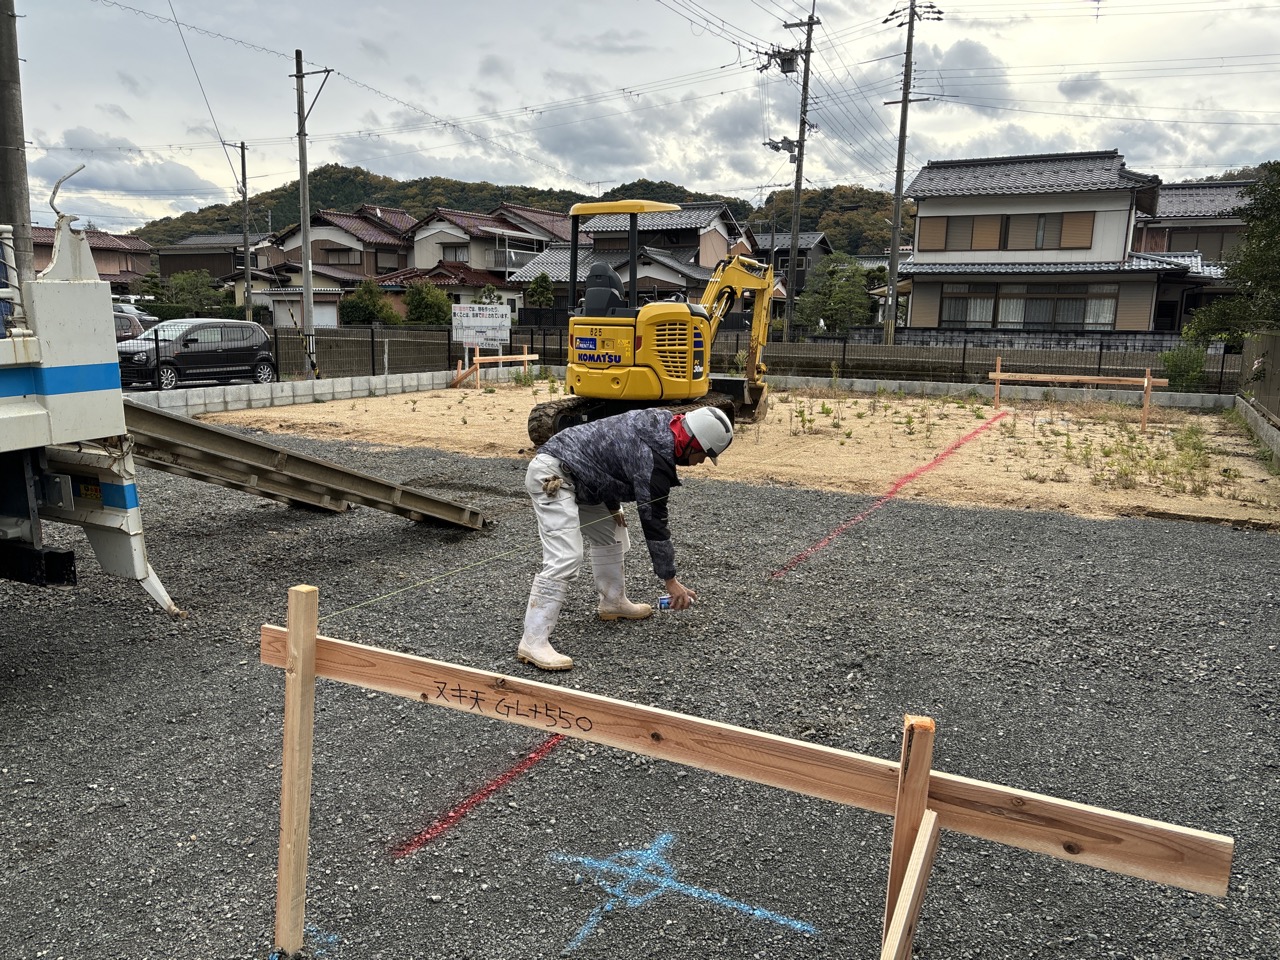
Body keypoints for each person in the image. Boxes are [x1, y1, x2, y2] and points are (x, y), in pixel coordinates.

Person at [518, 405, 734, 671]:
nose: (701, 462)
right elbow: (654, 522)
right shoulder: (655, 458)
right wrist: (671, 580)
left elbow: (611, 454)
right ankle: (533, 641)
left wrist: (612, 505)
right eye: (703, 454)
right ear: (692, 442)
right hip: (554, 474)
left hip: (584, 478)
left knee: (613, 534)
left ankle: (612, 602)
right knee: (566, 556)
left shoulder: (661, 424)